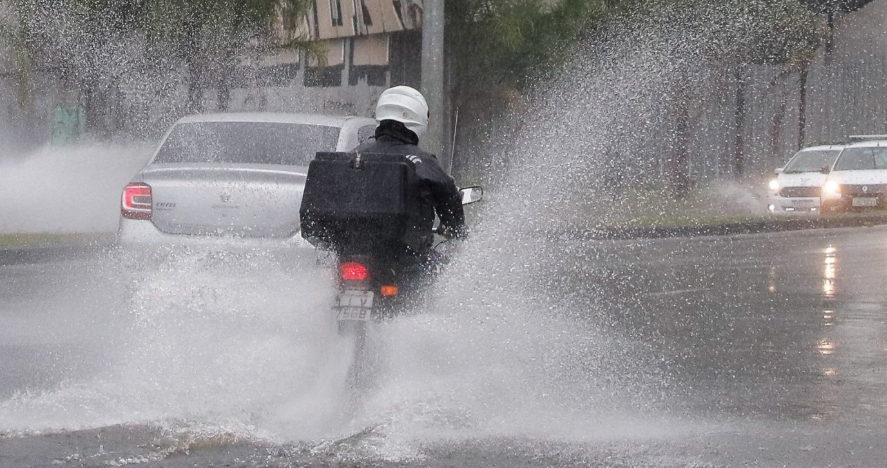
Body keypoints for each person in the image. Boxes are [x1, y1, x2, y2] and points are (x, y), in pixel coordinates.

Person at [354, 86, 466, 247]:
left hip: (352, 248)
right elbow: (449, 198)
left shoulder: (353, 155)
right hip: (406, 254)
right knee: (445, 262)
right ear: (419, 117)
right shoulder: (423, 162)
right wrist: (457, 229)